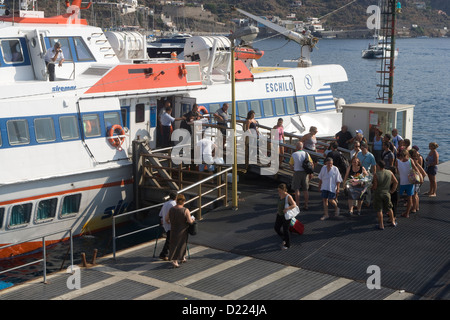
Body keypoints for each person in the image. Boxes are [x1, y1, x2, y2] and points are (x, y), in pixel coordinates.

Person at [165, 194, 195, 268]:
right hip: (182, 230)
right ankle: (181, 258)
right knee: (182, 244)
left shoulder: (171, 209)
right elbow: (189, 221)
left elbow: (166, 219)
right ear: (183, 202)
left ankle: (175, 260)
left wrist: (169, 222)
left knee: (173, 245)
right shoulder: (185, 210)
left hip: (173, 229)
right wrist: (193, 219)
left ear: (176, 201)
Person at [372, 160, 399, 230]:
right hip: (387, 193)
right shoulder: (389, 172)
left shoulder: (376, 174)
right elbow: (396, 182)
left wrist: (371, 187)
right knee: (389, 208)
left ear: (378, 166)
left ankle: (381, 225)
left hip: (378, 193)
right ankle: (393, 222)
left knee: (379, 209)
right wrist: (392, 190)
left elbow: (375, 186)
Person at [396, 149, 420, 218]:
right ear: (407, 154)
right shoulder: (410, 161)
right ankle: (407, 213)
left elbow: (397, 171)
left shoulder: (397, 161)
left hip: (401, 182)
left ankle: (393, 212)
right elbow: (416, 169)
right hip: (410, 182)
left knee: (397, 198)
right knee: (410, 198)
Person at [289, 141, 312, 210]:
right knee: (305, 190)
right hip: (305, 173)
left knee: (296, 189)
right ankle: (306, 205)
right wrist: (311, 173)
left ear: (296, 147)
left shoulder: (294, 154)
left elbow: (290, 164)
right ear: (302, 147)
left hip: (297, 172)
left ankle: (297, 205)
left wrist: (293, 169)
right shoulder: (306, 154)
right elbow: (311, 163)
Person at [274, 183, 296, 249]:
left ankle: (287, 244)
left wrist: (287, 208)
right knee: (276, 228)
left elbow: (294, 205)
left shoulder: (288, 196)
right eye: (278, 190)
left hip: (286, 215)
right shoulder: (280, 195)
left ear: (283, 190)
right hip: (279, 214)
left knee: (285, 230)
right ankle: (284, 238)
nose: (278, 191)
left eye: (279, 190)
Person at [158, 192, 177, 261]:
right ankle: (163, 254)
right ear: (176, 197)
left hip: (165, 223)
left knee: (170, 238)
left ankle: (167, 253)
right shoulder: (174, 204)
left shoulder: (165, 203)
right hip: (171, 223)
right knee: (170, 239)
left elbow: (160, 214)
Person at [409, 148, 427, 213]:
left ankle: (414, 208)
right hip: (418, 179)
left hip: (415, 180)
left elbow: (421, 172)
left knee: (414, 195)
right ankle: (417, 207)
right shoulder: (416, 161)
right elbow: (424, 172)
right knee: (416, 195)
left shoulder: (413, 162)